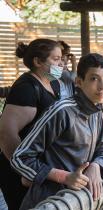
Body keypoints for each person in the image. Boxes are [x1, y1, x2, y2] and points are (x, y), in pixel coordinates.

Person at [10, 53, 103, 210]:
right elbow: (20, 157)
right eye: (93, 78)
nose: (102, 87)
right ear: (79, 82)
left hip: (79, 201)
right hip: (48, 203)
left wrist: (96, 166)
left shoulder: (96, 112)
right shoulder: (61, 111)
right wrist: (64, 177)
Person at [0, 38, 64, 209]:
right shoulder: (27, 88)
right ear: (37, 61)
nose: (61, 64)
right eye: (56, 59)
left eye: (61, 58)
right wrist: (26, 170)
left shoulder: (54, 84)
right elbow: (6, 134)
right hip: (21, 174)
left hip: (43, 169)